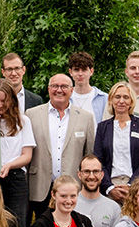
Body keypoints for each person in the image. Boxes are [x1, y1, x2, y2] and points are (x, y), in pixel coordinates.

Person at [25, 73, 95, 219]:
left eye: (64, 86)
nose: (59, 90)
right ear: (48, 89)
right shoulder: (31, 115)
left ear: (71, 90)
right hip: (40, 186)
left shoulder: (85, 118)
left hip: (72, 188)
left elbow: (88, 155)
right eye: (55, 86)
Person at [0, 78, 36, 227]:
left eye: (3, 101)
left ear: (12, 100)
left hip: (16, 180)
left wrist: (9, 165)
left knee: (17, 226)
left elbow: (27, 155)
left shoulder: (23, 121)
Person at [96, 82, 139, 201]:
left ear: (131, 101)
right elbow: (98, 161)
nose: (121, 101)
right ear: (111, 100)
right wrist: (109, 188)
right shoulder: (102, 127)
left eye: (126, 97)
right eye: (117, 97)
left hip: (137, 186)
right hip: (110, 187)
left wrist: (131, 186)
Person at [74, 154, 122, 227]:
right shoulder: (71, 205)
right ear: (79, 174)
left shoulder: (113, 208)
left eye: (95, 171)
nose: (91, 176)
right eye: (87, 171)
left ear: (102, 175)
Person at [68, 51, 108, 127]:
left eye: (84, 70)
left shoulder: (104, 99)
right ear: (70, 72)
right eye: (76, 70)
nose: (80, 74)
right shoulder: (65, 98)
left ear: (91, 71)